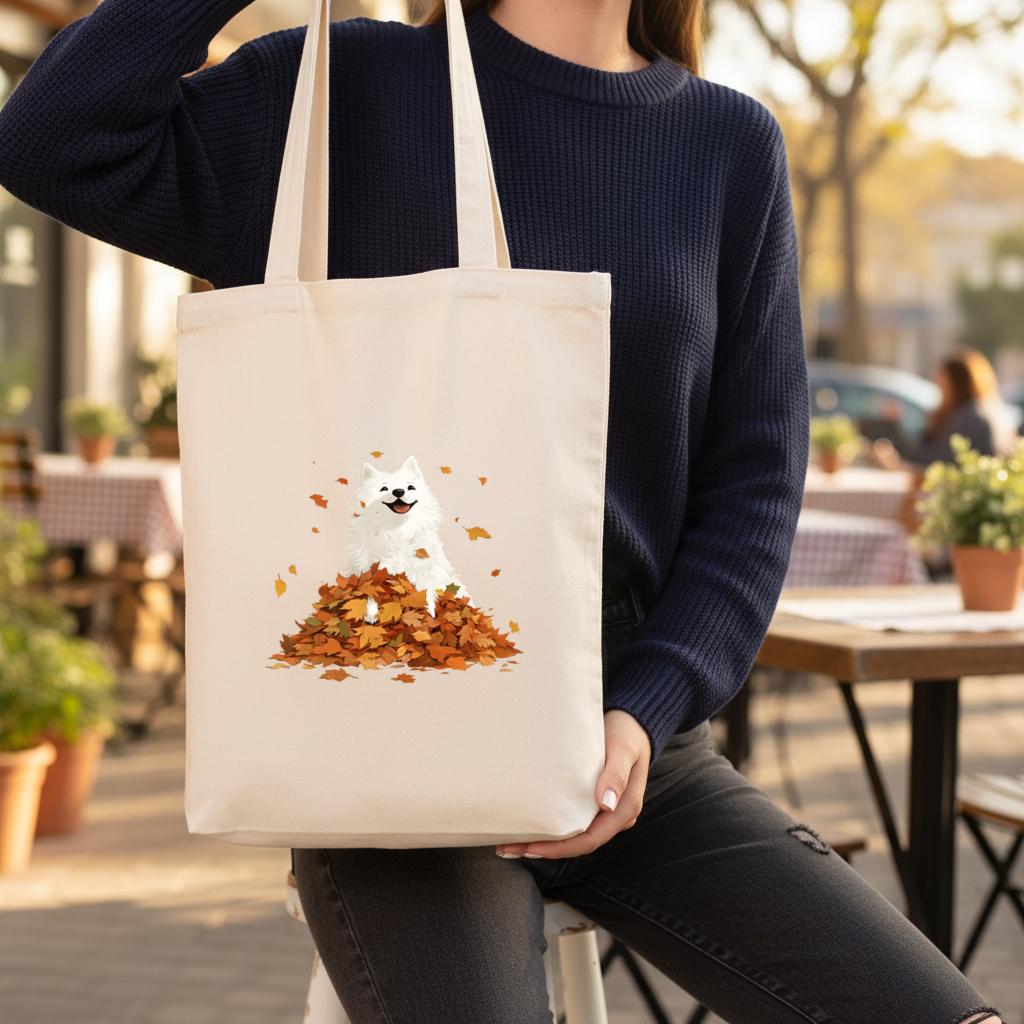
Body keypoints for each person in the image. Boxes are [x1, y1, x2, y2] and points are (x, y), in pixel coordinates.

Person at [0, 0, 1002, 1020]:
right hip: (385, 732)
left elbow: (751, 487)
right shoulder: (336, 91)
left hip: (630, 729)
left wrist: (648, 710)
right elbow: (50, 139)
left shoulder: (725, 142)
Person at [906, 349, 1019, 467]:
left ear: (958, 384)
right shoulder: (989, 410)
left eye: (943, 385)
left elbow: (943, 460)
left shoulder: (971, 416)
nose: (940, 393)